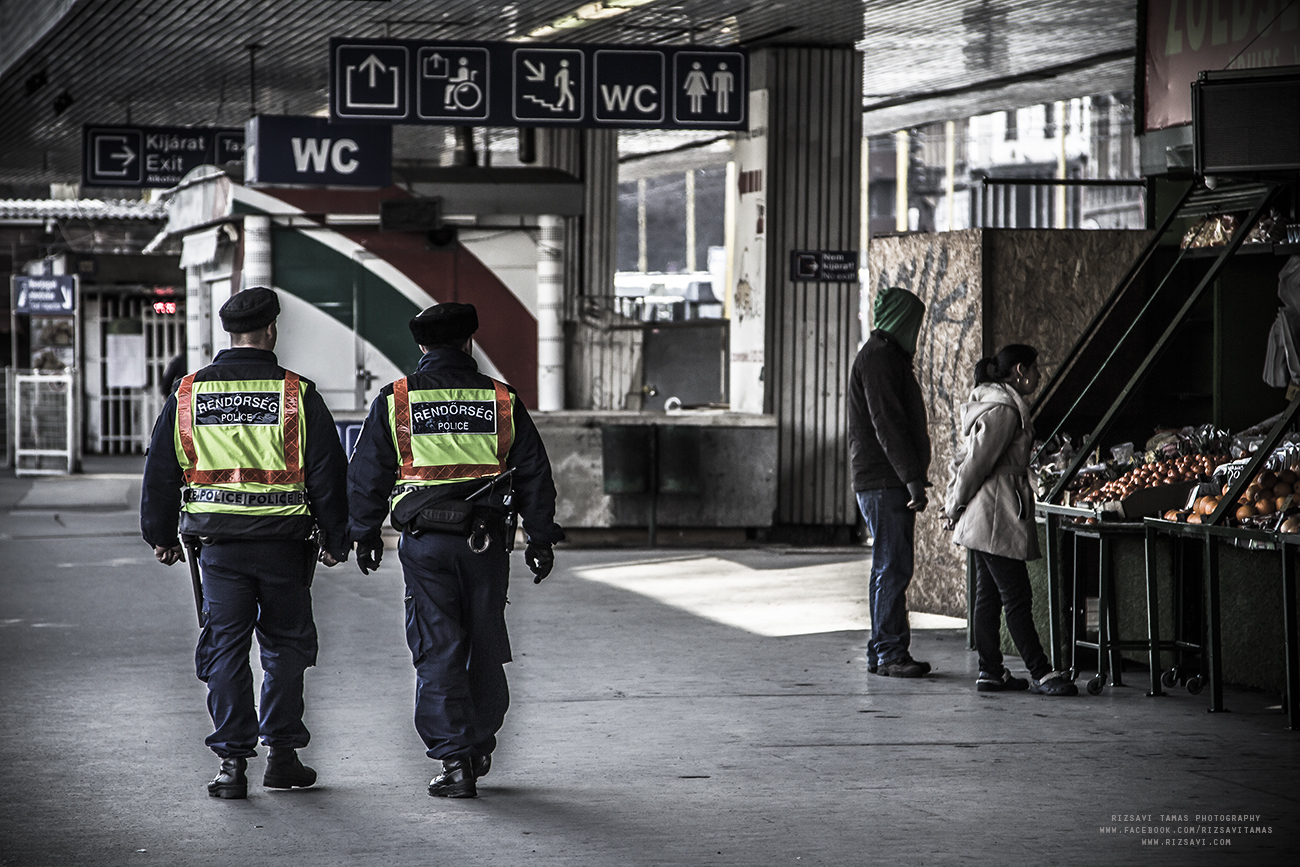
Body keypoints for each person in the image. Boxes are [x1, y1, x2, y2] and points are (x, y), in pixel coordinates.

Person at [140, 286, 351, 798]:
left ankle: (232, 765)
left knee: (225, 647)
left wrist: (161, 535)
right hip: (284, 544)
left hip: (217, 548)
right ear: (271, 330)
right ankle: (282, 756)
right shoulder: (297, 394)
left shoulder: (189, 394)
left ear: (228, 333)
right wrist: (337, 537)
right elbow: (327, 474)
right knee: (285, 646)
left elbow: (161, 471)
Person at [347, 302, 564, 799]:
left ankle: (454, 759)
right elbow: (534, 473)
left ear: (422, 346)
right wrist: (541, 537)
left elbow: (367, 474)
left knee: (437, 644)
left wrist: (362, 534)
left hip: (425, 544)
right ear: (469, 342)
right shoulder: (500, 399)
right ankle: (480, 742)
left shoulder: (397, 400)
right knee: (484, 639)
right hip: (484, 543)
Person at [943, 344, 1077, 696]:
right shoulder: (1003, 410)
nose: (1039, 376)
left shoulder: (999, 404)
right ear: (1020, 370)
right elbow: (976, 463)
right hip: (993, 512)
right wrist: (954, 504)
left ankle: (991, 671)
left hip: (991, 509)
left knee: (988, 596)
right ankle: (1041, 672)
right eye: (1035, 369)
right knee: (1016, 595)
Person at [848, 285, 933, 678]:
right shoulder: (881, 359)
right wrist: (912, 478)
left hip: (882, 479)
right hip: (885, 481)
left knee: (887, 566)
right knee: (892, 567)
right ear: (902, 320)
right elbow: (888, 425)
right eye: (915, 322)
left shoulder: (885, 356)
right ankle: (890, 653)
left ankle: (882, 650)